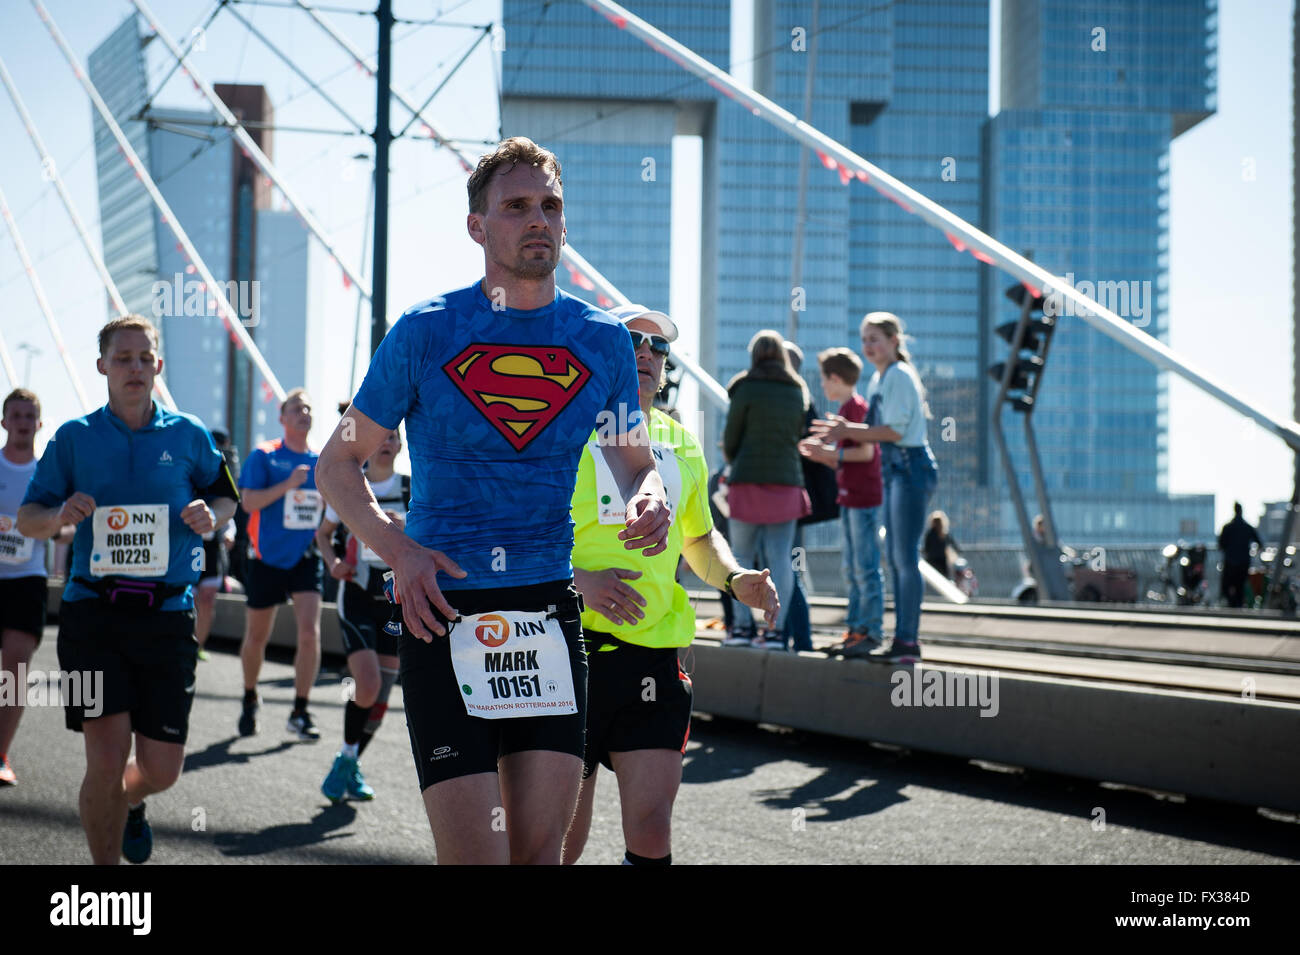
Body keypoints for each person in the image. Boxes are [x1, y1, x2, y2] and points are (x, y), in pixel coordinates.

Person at [315, 136, 670, 865]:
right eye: (516, 206)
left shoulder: (602, 340)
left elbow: (634, 464)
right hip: (444, 609)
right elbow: (338, 463)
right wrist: (401, 551)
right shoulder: (425, 331)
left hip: (547, 609)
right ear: (478, 226)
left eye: (550, 206)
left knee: (539, 859)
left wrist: (649, 497)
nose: (538, 219)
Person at [562, 305, 778, 865]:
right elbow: (518, 533)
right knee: (560, 835)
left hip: (654, 654)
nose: (646, 354)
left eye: (658, 348)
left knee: (653, 828)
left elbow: (699, 542)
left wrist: (736, 580)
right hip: (568, 647)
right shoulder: (562, 428)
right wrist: (580, 580)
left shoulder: (681, 443)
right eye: (632, 339)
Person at [18, 315, 238, 863]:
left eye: (145, 358)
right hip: (93, 615)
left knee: (161, 769)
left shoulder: (190, 435)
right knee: (105, 759)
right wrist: (59, 517)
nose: (135, 368)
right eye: (123, 358)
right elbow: (27, 518)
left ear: (158, 366)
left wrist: (212, 513)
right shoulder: (74, 438)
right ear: (102, 367)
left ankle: (134, 802)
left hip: (167, 619)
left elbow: (228, 498)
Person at [812, 312, 937, 665]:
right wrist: (845, 431)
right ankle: (900, 640)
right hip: (897, 470)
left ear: (894, 341)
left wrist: (845, 430)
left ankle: (907, 641)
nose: (868, 346)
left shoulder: (896, 375)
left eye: (875, 339)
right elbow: (876, 433)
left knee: (903, 558)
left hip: (909, 467)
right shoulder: (880, 379)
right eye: (864, 339)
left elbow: (893, 433)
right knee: (897, 559)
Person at [316, 428, 409, 802]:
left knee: (382, 695)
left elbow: (434, 536)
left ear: (400, 446)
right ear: (369, 445)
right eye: (380, 437)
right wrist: (334, 563)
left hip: (395, 598)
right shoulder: (349, 487)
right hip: (356, 596)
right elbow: (323, 534)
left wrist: (406, 529)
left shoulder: (411, 489)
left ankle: (348, 760)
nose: (386, 442)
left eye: (393, 437)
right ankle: (347, 760)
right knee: (367, 684)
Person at [236, 389, 325, 740]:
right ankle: (249, 696)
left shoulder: (322, 461)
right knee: (257, 635)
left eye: (308, 408)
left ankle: (300, 710)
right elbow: (248, 502)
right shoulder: (265, 456)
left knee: (309, 632)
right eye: (296, 408)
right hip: (267, 558)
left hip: (305, 557)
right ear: (282, 418)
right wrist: (288, 485)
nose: (303, 412)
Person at [721, 329, 810, 650]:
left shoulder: (745, 388)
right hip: (786, 482)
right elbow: (796, 434)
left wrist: (733, 458)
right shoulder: (796, 390)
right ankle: (775, 632)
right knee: (781, 559)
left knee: (740, 556)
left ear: (754, 355)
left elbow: (732, 436)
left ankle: (742, 629)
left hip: (747, 481)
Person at [0, 389, 69, 786]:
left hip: (27, 579)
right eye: (16, 415)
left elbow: (65, 530)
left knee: (16, 667)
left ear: (40, 424)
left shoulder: (46, 474)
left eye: (30, 416)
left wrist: (60, 527)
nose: (24, 421)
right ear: (5, 421)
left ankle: (1, 752)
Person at [798, 347, 883, 657]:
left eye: (824, 380)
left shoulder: (856, 409)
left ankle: (870, 630)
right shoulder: (849, 409)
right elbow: (849, 461)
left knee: (865, 567)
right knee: (853, 567)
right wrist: (824, 454)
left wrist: (828, 453)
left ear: (835, 378)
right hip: (850, 497)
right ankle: (856, 629)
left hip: (862, 499)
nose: (822, 386)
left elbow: (867, 453)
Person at [194, 428, 239, 661]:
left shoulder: (226, 470)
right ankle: (185, 641)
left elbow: (229, 506)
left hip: (212, 548)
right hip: (192, 546)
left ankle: (199, 645)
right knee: (190, 594)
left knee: (208, 597)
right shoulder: (192, 467)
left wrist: (229, 532)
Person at [1218, 502, 1261, 608]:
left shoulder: (1227, 527)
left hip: (1230, 561)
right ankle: (1239, 605)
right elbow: (1259, 542)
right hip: (1244, 561)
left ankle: (1231, 603)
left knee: (1227, 586)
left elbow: (1221, 544)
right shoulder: (1247, 527)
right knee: (1240, 586)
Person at [923, 510, 959, 579]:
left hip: (931, 561)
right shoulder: (945, 533)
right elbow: (955, 546)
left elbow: (926, 548)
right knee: (944, 579)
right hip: (942, 561)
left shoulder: (930, 534)